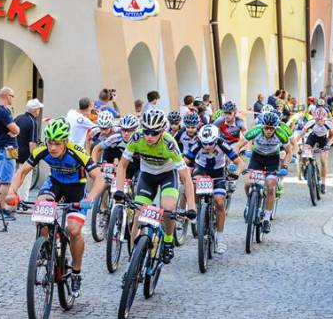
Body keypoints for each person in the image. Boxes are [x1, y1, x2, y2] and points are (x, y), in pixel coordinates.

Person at [5, 119, 104, 298]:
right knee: (41, 210)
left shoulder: (77, 152)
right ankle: (45, 247)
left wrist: (89, 198)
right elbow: (22, 171)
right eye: (50, 142)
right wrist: (12, 192)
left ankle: (76, 272)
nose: (52, 147)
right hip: (55, 184)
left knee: (73, 231)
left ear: (66, 142)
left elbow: (99, 178)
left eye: (57, 143)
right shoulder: (42, 149)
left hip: (76, 188)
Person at [113, 109, 196, 264]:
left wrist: (191, 207)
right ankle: (133, 261)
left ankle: (169, 241)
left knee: (168, 208)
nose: (149, 136)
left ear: (162, 131)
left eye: (154, 133)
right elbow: (122, 166)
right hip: (147, 176)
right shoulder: (137, 137)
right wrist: (119, 190)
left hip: (167, 175)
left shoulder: (169, 143)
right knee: (138, 215)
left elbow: (186, 177)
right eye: (147, 132)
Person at [184, 124, 243, 253]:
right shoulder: (198, 144)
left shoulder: (223, 144)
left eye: (211, 143)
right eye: (204, 144)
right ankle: (197, 209)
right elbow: (185, 162)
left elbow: (240, 163)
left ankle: (220, 239)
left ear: (216, 139)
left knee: (219, 202)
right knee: (192, 184)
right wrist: (185, 175)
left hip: (218, 173)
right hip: (202, 170)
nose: (207, 146)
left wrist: (236, 174)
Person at [238, 111, 291, 233]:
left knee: (271, 187)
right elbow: (238, 145)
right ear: (262, 126)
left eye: (271, 128)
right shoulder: (256, 131)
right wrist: (235, 160)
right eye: (266, 127)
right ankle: (249, 203)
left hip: (273, 159)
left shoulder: (281, 134)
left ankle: (266, 219)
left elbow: (289, 151)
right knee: (247, 183)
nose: (268, 131)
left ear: (275, 127)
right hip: (257, 157)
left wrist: (285, 166)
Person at [0, 86, 19, 221]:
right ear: (7, 96)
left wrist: (14, 130)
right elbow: (15, 129)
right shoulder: (3, 112)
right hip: (7, 149)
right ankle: (1, 210)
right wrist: (16, 130)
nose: (13, 98)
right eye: (12, 96)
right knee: (6, 181)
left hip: (0, 148)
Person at [14, 98, 43, 208]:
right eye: (39, 109)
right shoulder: (33, 122)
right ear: (35, 110)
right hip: (26, 156)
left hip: (14, 154)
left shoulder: (18, 118)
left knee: (15, 178)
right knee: (25, 180)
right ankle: (22, 202)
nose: (39, 111)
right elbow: (32, 144)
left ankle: (14, 200)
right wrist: (34, 159)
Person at [300, 107, 333, 193]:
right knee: (305, 153)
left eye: (321, 120)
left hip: (323, 139)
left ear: (325, 118)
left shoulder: (328, 123)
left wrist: (328, 144)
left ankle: (323, 184)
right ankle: (305, 169)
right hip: (313, 137)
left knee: (323, 161)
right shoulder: (311, 122)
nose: (319, 122)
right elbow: (302, 133)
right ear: (314, 118)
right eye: (317, 119)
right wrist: (296, 143)